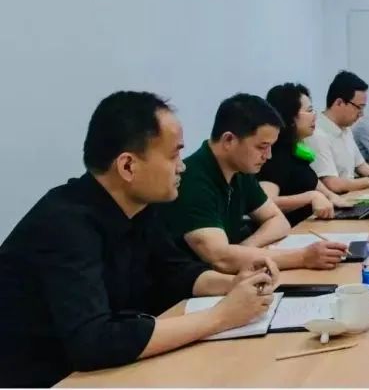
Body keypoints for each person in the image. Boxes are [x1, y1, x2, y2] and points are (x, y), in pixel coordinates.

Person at [0, 92, 280, 387]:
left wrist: (233, 284)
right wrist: (220, 317)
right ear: (128, 166)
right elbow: (93, 340)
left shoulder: (141, 207)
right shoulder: (64, 224)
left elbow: (172, 270)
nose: (182, 166)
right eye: (173, 156)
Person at [164, 93, 348, 273]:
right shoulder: (192, 179)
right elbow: (221, 259)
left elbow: (278, 221)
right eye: (262, 146)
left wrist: (244, 249)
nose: (268, 156)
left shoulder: (239, 171)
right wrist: (302, 257)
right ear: (229, 140)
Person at [259, 83, 355, 226]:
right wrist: (310, 197)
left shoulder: (295, 150)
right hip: (293, 231)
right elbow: (266, 203)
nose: (315, 116)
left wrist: (333, 197)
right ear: (290, 117)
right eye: (309, 111)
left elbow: (314, 184)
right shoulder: (276, 156)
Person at [305, 71, 369, 194]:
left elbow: (362, 166)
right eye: (359, 107)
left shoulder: (346, 129)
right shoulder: (317, 134)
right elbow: (332, 184)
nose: (361, 114)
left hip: (351, 195)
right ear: (339, 103)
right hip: (336, 200)